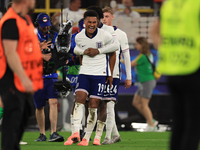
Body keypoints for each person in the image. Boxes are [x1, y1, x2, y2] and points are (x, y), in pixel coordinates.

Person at [150, 0, 200, 149]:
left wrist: (167, 51)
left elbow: (154, 32)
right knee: (194, 124)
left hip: (172, 68)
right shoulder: (196, 5)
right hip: (194, 67)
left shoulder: (169, 5)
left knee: (179, 122)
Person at [64, 10, 118, 146]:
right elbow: (76, 49)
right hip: (84, 73)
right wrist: (83, 52)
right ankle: (75, 132)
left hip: (100, 74)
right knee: (79, 100)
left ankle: (88, 138)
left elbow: (115, 47)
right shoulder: (79, 37)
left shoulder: (104, 35)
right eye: (89, 22)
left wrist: (98, 52)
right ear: (84, 22)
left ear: (98, 22)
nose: (92, 25)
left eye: (95, 22)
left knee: (94, 106)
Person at [0, 0, 43, 149]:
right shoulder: (10, 21)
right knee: (12, 120)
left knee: (26, 111)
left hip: (23, 78)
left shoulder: (25, 19)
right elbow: (10, 52)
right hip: (12, 78)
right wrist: (24, 78)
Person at [101, 6, 132, 144]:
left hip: (114, 74)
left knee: (109, 104)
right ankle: (116, 135)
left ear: (112, 17)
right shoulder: (98, 33)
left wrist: (129, 77)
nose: (104, 19)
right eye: (102, 16)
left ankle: (108, 137)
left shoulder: (121, 34)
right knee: (102, 105)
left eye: (107, 16)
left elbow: (126, 56)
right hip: (99, 73)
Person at [33, 13, 64, 142]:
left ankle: (53, 132)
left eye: (47, 25)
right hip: (36, 75)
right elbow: (26, 53)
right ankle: (42, 134)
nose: (46, 28)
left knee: (53, 102)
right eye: (43, 26)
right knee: (39, 106)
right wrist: (41, 54)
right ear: (38, 24)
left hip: (51, 74)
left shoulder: (54, 36)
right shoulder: (32, 36)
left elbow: (60, 51)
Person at [131, 37, 158, 131]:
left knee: (144, 104)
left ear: (141, 45)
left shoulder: (142, 56)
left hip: (147, 81)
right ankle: (152, 121)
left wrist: (120, 59)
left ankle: (151, 125)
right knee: (136, 102)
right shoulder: (147, 54)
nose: (135, 46)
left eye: (137, 44)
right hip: (144, 81)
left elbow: (130, 64)